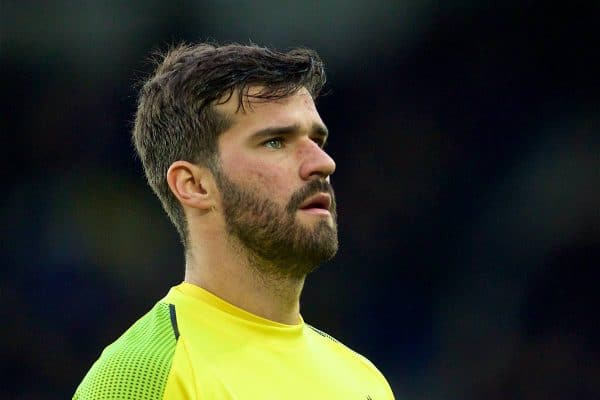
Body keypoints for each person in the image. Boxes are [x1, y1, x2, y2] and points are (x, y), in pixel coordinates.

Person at [73, 42, 395, 399]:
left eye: (317, 140)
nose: (323, 163)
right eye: (275, 142)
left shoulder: (364, 381)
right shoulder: (140, 376)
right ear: (193, 185)